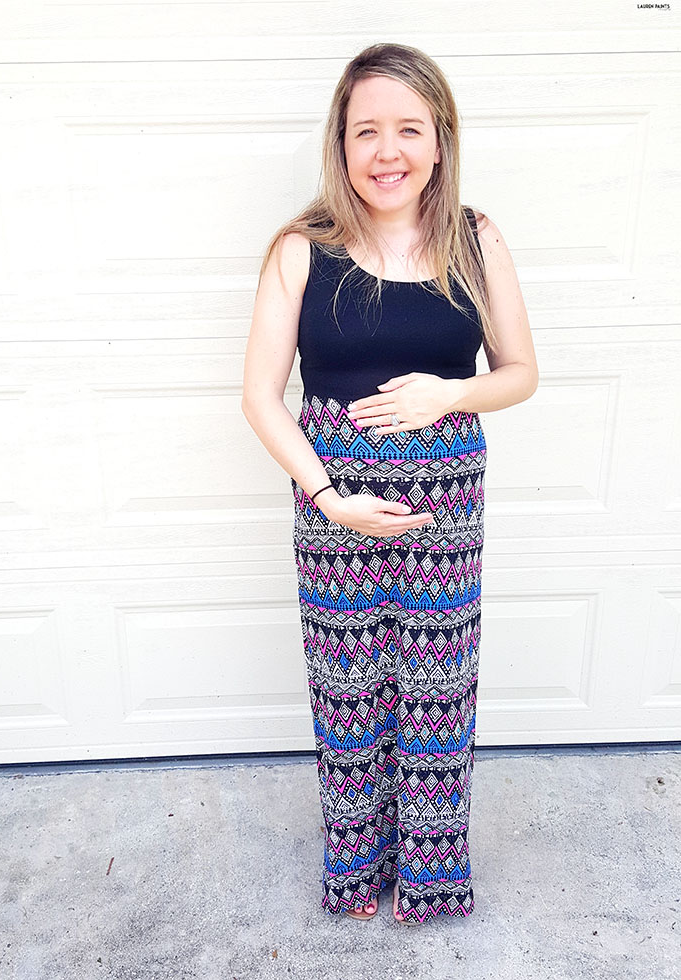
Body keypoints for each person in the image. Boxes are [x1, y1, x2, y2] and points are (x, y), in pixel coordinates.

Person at [241, 42, 538, 925]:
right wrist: (327, 498)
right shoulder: (301, 249)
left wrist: (451, 392)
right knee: (349, 697)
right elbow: (259, 398)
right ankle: (355, 869)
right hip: (334, 512)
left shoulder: (476, 240)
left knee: (437, 696)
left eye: (408, 128)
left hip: (446, 512)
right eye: (365, 130)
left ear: (439, 140)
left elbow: (520, 373)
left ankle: (432, 875)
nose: (386, 151)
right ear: (340, 142)